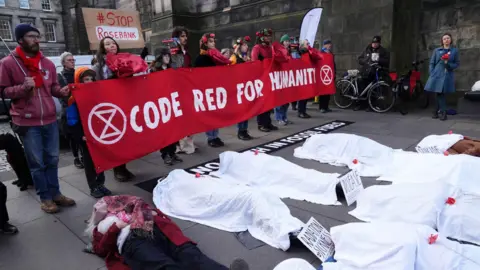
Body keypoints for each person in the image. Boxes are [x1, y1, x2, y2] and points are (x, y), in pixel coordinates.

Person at [0, 24, 75, 213]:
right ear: (20, 40)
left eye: (37, 36)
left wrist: (62, 92)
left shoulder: (47, 63)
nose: (37, 39)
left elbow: (53, 88)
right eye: (31, 36)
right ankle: (46, 198)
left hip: (49, 119)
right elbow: (3, 91)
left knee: (52, 159)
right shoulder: (8, 63)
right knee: (37, 163)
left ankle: (56, 193)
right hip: (27, 122)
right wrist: (22, 88)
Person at [85, 195, 250, 270]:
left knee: (191, 255)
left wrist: (152, 214)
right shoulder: (101, 226)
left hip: (159, 231)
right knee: (163, 265)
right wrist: (115, 228)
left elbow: (163, 220)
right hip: (132, 240)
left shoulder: (135, 206)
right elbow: (101, 248)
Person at [92, 36, 135, 182]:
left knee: (126, 139)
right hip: (111, 105)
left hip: (125, 102)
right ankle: (118, 169)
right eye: (107, 44)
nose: (112, 46)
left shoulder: (123, 59)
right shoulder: (100, 65)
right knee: (116, 138)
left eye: (113, 43)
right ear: (103, 48)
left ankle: (123, 167)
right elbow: (96, 84)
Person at [65, 67, 113, 198]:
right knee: (89, 161)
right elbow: (72, 120)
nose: (90, 81)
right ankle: (93, 186)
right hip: (85, 135)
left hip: (97, 133)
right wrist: (81, 135)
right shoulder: (73, 99)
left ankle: (101, 183)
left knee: (99, 160)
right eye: (86, 79)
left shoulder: (97, 95)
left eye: (92, 79)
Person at [194, 33, 230, 148]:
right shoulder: (201, 58)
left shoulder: (216, 56)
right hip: (206, 91)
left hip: (216, 88)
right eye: (210, 41)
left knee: (216, 114)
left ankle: (215, 135)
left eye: (213, 41)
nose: (213, 43)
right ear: (205, 43)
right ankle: (211, 137)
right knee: (210, 115)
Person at [151, 49, 184, 165]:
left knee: (174, 130)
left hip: (172, 102)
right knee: (165, 132)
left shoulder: (171, 69)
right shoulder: (155, 70)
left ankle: (172, 153)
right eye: (164, 55)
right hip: (161, 103)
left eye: (168, 56)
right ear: (160, 57)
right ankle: (165, 154)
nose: (167, 58)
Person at [170, 26, 196, 154]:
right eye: (182, 36)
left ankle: (187, 142)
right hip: (176, 89)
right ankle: (178, 144)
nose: (185, 38)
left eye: (186, 36)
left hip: (187, 88)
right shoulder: (172, 51)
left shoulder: (187, 52)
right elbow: (176, 68)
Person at [58, 51, 84, 169]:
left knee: (82, 133)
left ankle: (83, 155)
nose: (72, 62)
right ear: (63, 63)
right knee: (72, 135)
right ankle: (76, 157)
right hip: (69, 108)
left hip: (80, 106)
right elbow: (60, 94)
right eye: (70, 60)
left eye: (73, 60)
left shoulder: (78, 74)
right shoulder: (60, 76)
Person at [425, 33, 459, 121]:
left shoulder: (454, 51)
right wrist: (432, 72)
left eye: (448, 38)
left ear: (450, 40)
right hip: (437, 73)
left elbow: (457, 64)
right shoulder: (437, 50)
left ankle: (436, 111)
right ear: (442, 41)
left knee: (440, 92)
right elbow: (432, 63)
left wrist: (448, 64)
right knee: (439, 92)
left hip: (447, 74)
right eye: (444, 39)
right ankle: (442, 112)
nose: (446, 40)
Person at [251, 28, 279, 132]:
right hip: (260, 79)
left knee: (269, 102)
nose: (269, 38)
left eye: (269, 36)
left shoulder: (269, 48)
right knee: (262, 102)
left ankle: (268, 122)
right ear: (262, 37)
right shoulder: (257, 48)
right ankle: (261, 124)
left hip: (269, 78)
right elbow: (254, 63)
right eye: (267, 36)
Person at [357, 35, 390, 111]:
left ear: (379, 43)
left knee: (373, 90)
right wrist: (366, 61)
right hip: (365, 72)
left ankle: (371, 106)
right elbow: (360, 59)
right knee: (362, 87)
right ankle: (360, 104)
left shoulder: (383, 51)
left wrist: (378, 59)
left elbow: (387, 61)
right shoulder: (367, 49)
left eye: (376, 43)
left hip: (376, 72)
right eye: (373, 43)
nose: (374, 44)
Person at [230, 36, 254, 141]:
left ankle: (245, 130)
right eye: (244, 44)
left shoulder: (247, 57)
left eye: (246, 45)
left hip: (247, 86)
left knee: (247, 110)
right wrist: (235, 53)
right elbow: (230, 65)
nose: (246, 46)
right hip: (239, 87)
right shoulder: (235, 57)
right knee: (242, 111)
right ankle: (240, 131)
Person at [274, 34, 293, 125]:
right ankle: (279, 118)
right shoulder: (279, 50)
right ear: (282, 42)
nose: (287, 43)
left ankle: (284, 117)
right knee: (279, 101)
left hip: (287, 78)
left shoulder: (288, 51)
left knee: (286, 101)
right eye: (286, 41)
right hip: (279, 78)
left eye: (288, 41)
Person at [319, 39, 335, 113]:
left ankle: (326, 106)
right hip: (323, 74)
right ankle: (321, 107)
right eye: (328, 44)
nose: (330, 45)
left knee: (328, 91)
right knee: (322, 92)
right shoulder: (320, 53)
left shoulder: (330, 53)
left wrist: (334, 72)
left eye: (330, 44)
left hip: (329, 74)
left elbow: (333, 64)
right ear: (325, 45)